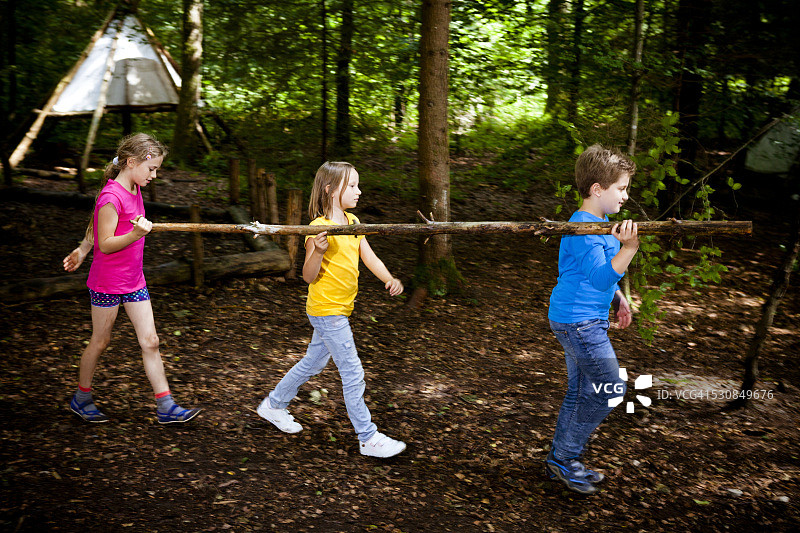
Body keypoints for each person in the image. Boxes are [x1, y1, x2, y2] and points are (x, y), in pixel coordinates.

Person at [257, 161, 406, 458]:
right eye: (351, 186)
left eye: (358, 185)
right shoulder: (317, 229)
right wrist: (320, 250)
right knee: (353, 373)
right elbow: (308, 275)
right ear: (330, 189)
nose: (358, 191)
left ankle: (273, 405)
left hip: (340, 308)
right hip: (327, 310)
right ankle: (368, 437)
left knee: (313, 363)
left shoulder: (352, 223)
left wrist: (389, 278)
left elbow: (370, 257)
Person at [64, 133, 200, 425]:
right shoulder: (112, 196)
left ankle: (166, 405)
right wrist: (134, 234)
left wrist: (81, 249)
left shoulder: (134, 187)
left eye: (156, 170)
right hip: (106, 283)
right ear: (131, 162)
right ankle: (81, 398)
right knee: (100, 341)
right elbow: (106, 241)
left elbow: (95, 229)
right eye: (151, 169)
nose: (154, 175)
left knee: (150, 341)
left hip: (134, 281)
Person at [544, 144, 639, 494]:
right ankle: (564, 458)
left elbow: (595, 276)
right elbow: (599, 276)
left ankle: (561, 459)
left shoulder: (597, 224)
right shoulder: (581, 228)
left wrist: (618, 298)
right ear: (598, 189)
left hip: (584, 318)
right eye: (622, 188)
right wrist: (629, 249)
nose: (626, 196)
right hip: (578, 322)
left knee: (581, 391)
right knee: (610, 389)